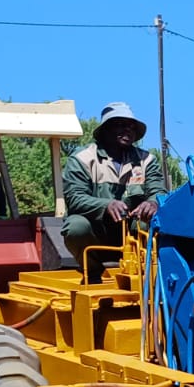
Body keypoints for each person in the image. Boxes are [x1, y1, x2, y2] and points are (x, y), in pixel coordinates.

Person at [62, 102, 167, 269]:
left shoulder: (147, 161)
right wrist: (107, 205)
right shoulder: (82, 158)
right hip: (96, 233)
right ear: (105, 129)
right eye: (120, 125)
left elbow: (159, 192)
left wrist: (153, 203)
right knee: (76, 227)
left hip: (132, 235)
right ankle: (94, 273)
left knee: (158, 220)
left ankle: (148, 271)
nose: (128, 130)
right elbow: (75, 198)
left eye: (132, 126)